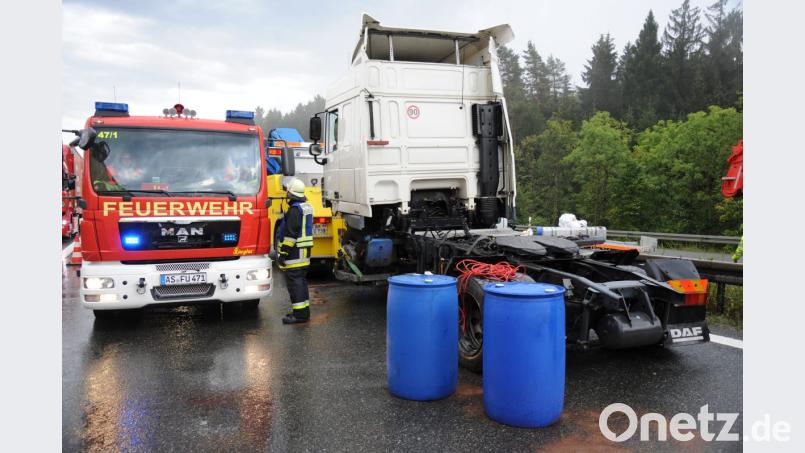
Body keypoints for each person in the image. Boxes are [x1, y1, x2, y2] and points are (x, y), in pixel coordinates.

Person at [275, 178, 314, 324]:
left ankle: (300, 316)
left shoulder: (294, 211)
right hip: (304, 252)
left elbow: (290, 236)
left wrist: (282, 254)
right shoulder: (306, 206)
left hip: (295, 253)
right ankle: (302, 312)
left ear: (290, 194)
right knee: (301, 282)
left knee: (295, 283)